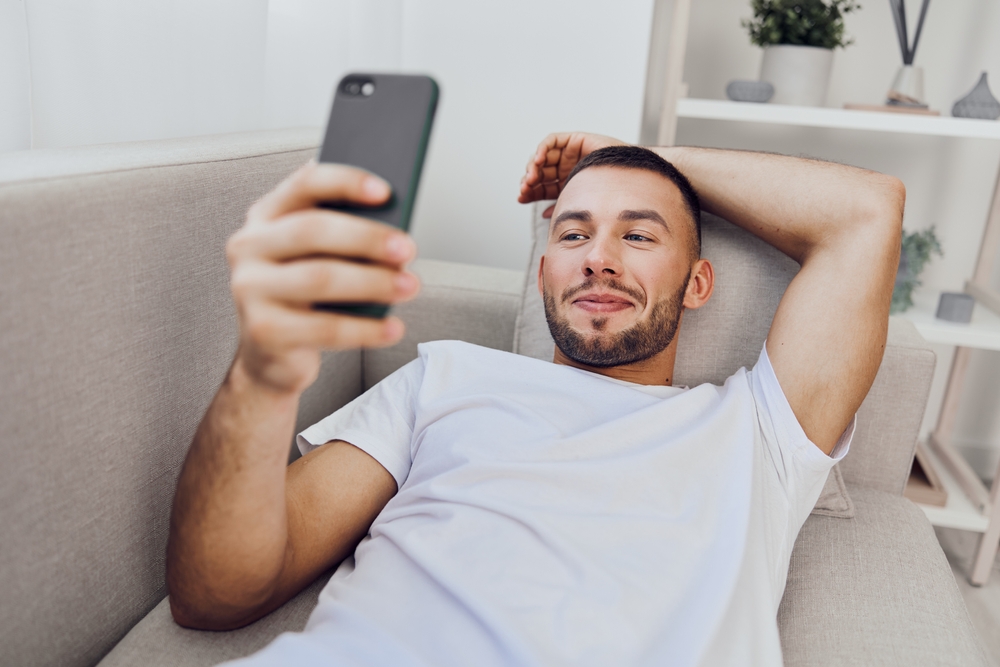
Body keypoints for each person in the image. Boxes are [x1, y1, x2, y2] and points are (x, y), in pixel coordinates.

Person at [166, 132, 903, 666]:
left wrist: (640, 156)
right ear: (545, 269)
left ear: (698, 282)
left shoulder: (757, 429)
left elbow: (868, 211)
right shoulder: (443, 379)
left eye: (639, 235)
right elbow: (217, 591)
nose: (599, 257)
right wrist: (260, 374)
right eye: (574, 232)